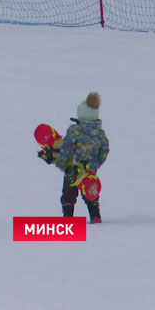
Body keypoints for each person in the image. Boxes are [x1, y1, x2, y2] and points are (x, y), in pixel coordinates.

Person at [55, 92, 110, 223]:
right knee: (90, 190)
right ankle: (95, 215)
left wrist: (62, 163)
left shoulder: (74, 130)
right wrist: (96, 164)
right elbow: (104, 150)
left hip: (73, 168)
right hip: (90, 170)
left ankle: (68, 217)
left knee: (69, 192)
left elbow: (67, 148)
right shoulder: (100, 133)